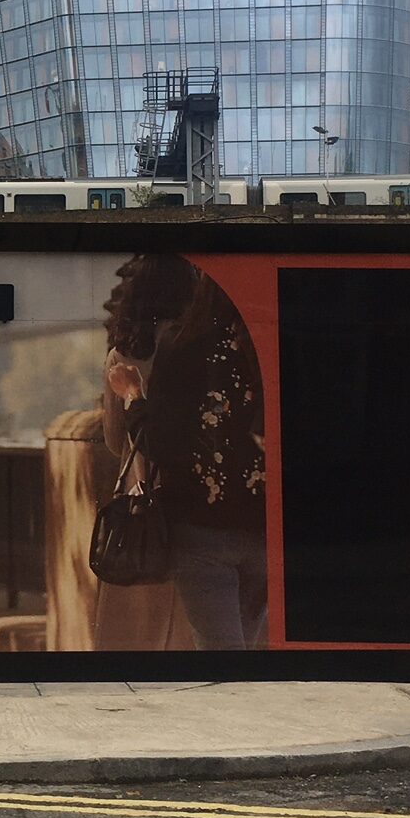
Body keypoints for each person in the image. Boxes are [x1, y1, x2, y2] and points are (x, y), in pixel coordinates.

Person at [103, 257, 267, 651]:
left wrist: (134, 399)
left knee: (220, 653)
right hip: (264, 525)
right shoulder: (263, 345)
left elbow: (158, 445)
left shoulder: (183, 346)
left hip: (199, 527)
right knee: (243, 646)